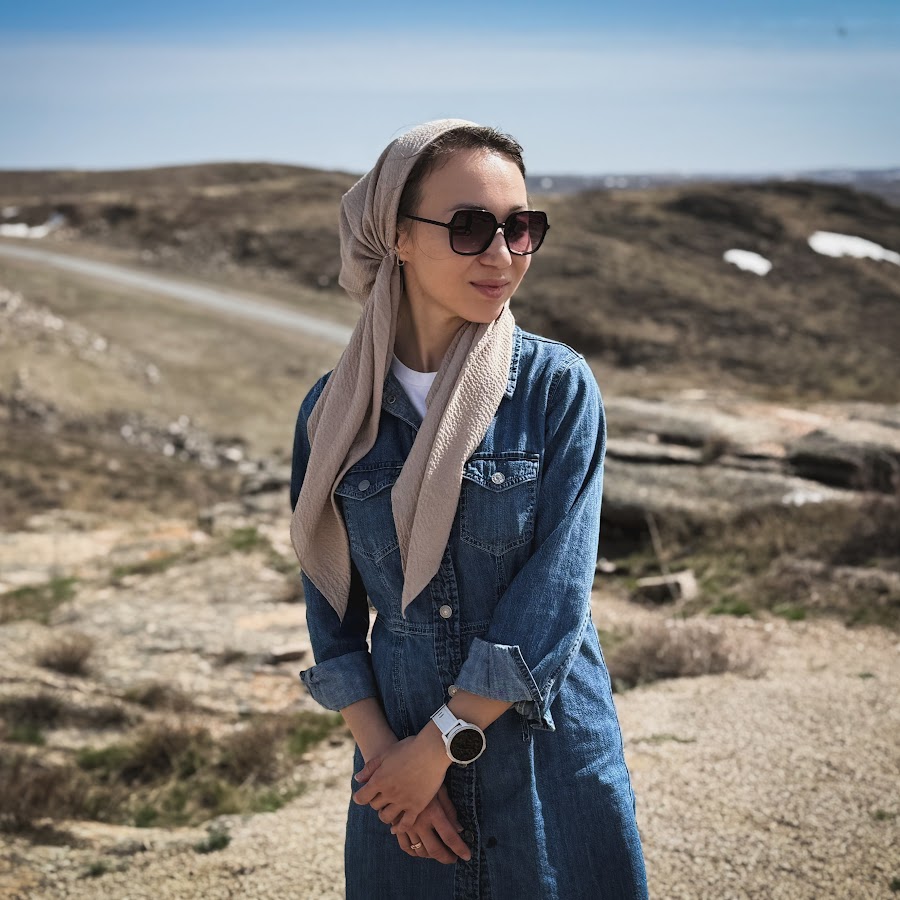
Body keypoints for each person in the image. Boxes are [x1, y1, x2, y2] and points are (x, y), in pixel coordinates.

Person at [289, 118, 649, 899]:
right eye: (469, 227)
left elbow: (555, 599)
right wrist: (390, 763)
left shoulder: (554, 388)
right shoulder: (332, 413)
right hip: (399, 774)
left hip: (546, 755)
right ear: (397, 237)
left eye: (521, 228)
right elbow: (330, 611)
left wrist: (438, 746)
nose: (503, 255)